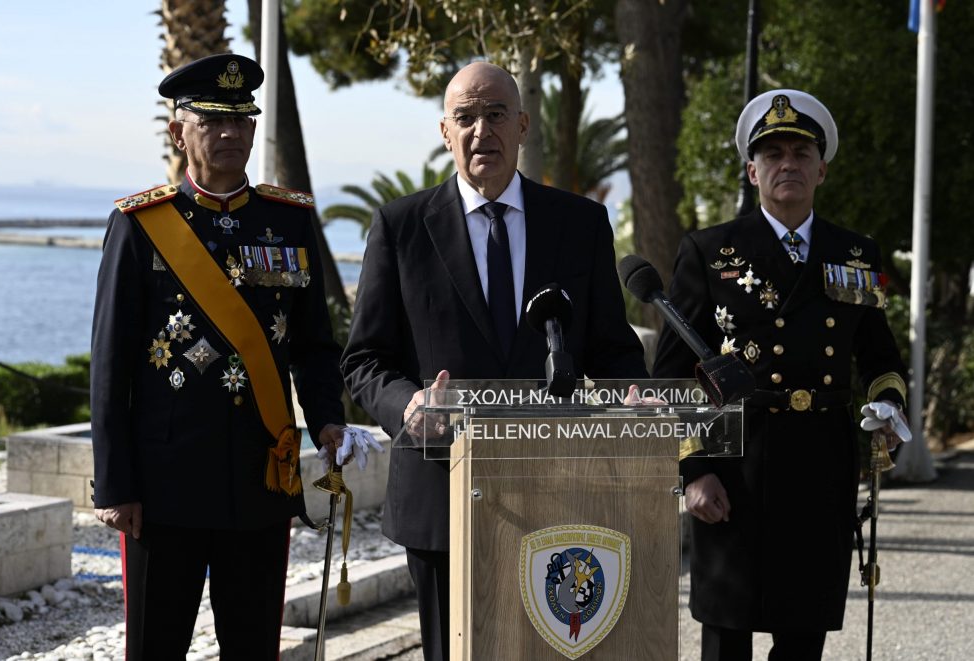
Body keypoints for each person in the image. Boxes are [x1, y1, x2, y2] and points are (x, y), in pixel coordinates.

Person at [340, 61, 649, 661]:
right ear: (445, 132)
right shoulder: (401, 227)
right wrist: (408, 405)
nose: (481, 130)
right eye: (466, 117)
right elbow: (364, 359)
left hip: (557, 489)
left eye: (496, 114)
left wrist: (632, 397)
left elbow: (612, 349)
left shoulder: (580, 223)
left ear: (523, 125)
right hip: (442, 494)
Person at [90, 53, 378, 658]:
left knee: (253, 647)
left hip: (259, 480)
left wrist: (328, 419)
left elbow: (314, 345)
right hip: (163, 488)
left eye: (241, 121)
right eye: (213, 121)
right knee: (155, 648)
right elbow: (111, 364)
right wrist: (116, 485)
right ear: (178, 133)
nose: (229, 133)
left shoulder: (288, 220)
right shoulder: (141, 224)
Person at [652, 89, 909, 661]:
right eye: (772, 154)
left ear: (822, 169)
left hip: (821, 467)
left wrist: (887, 408)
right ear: (753, 171)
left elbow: (880, 359)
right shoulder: (710, 251)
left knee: (802, 638)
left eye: (800, 153)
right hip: (734, 468)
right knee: (727, 636)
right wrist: (694, 469)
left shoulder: (855, 254)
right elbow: (672, 375)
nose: (787, 163)